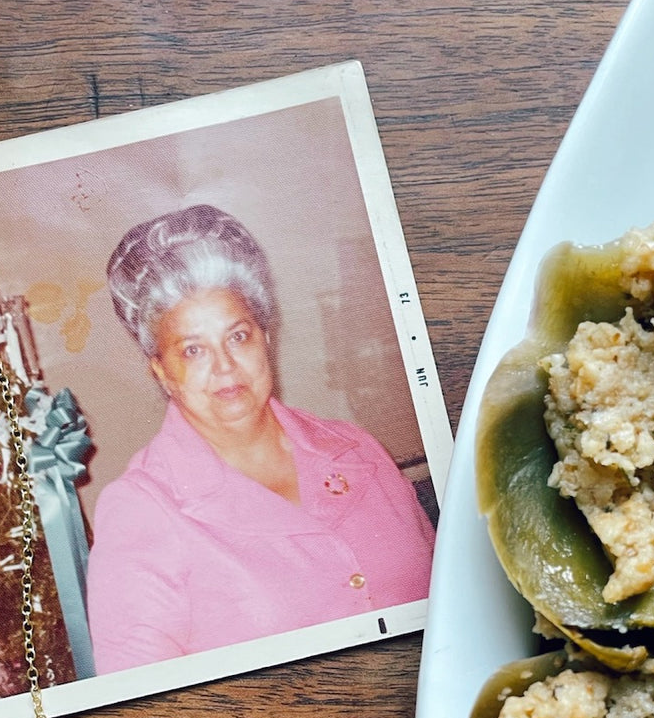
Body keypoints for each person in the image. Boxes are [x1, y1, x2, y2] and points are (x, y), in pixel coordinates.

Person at [86, 204, 435, 674]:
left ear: (265, 339)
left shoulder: (354, 446)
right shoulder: (141, 509)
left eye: (238, 336)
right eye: (193, 350)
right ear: (162, 371)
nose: (225, 367)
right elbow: (141, 701)